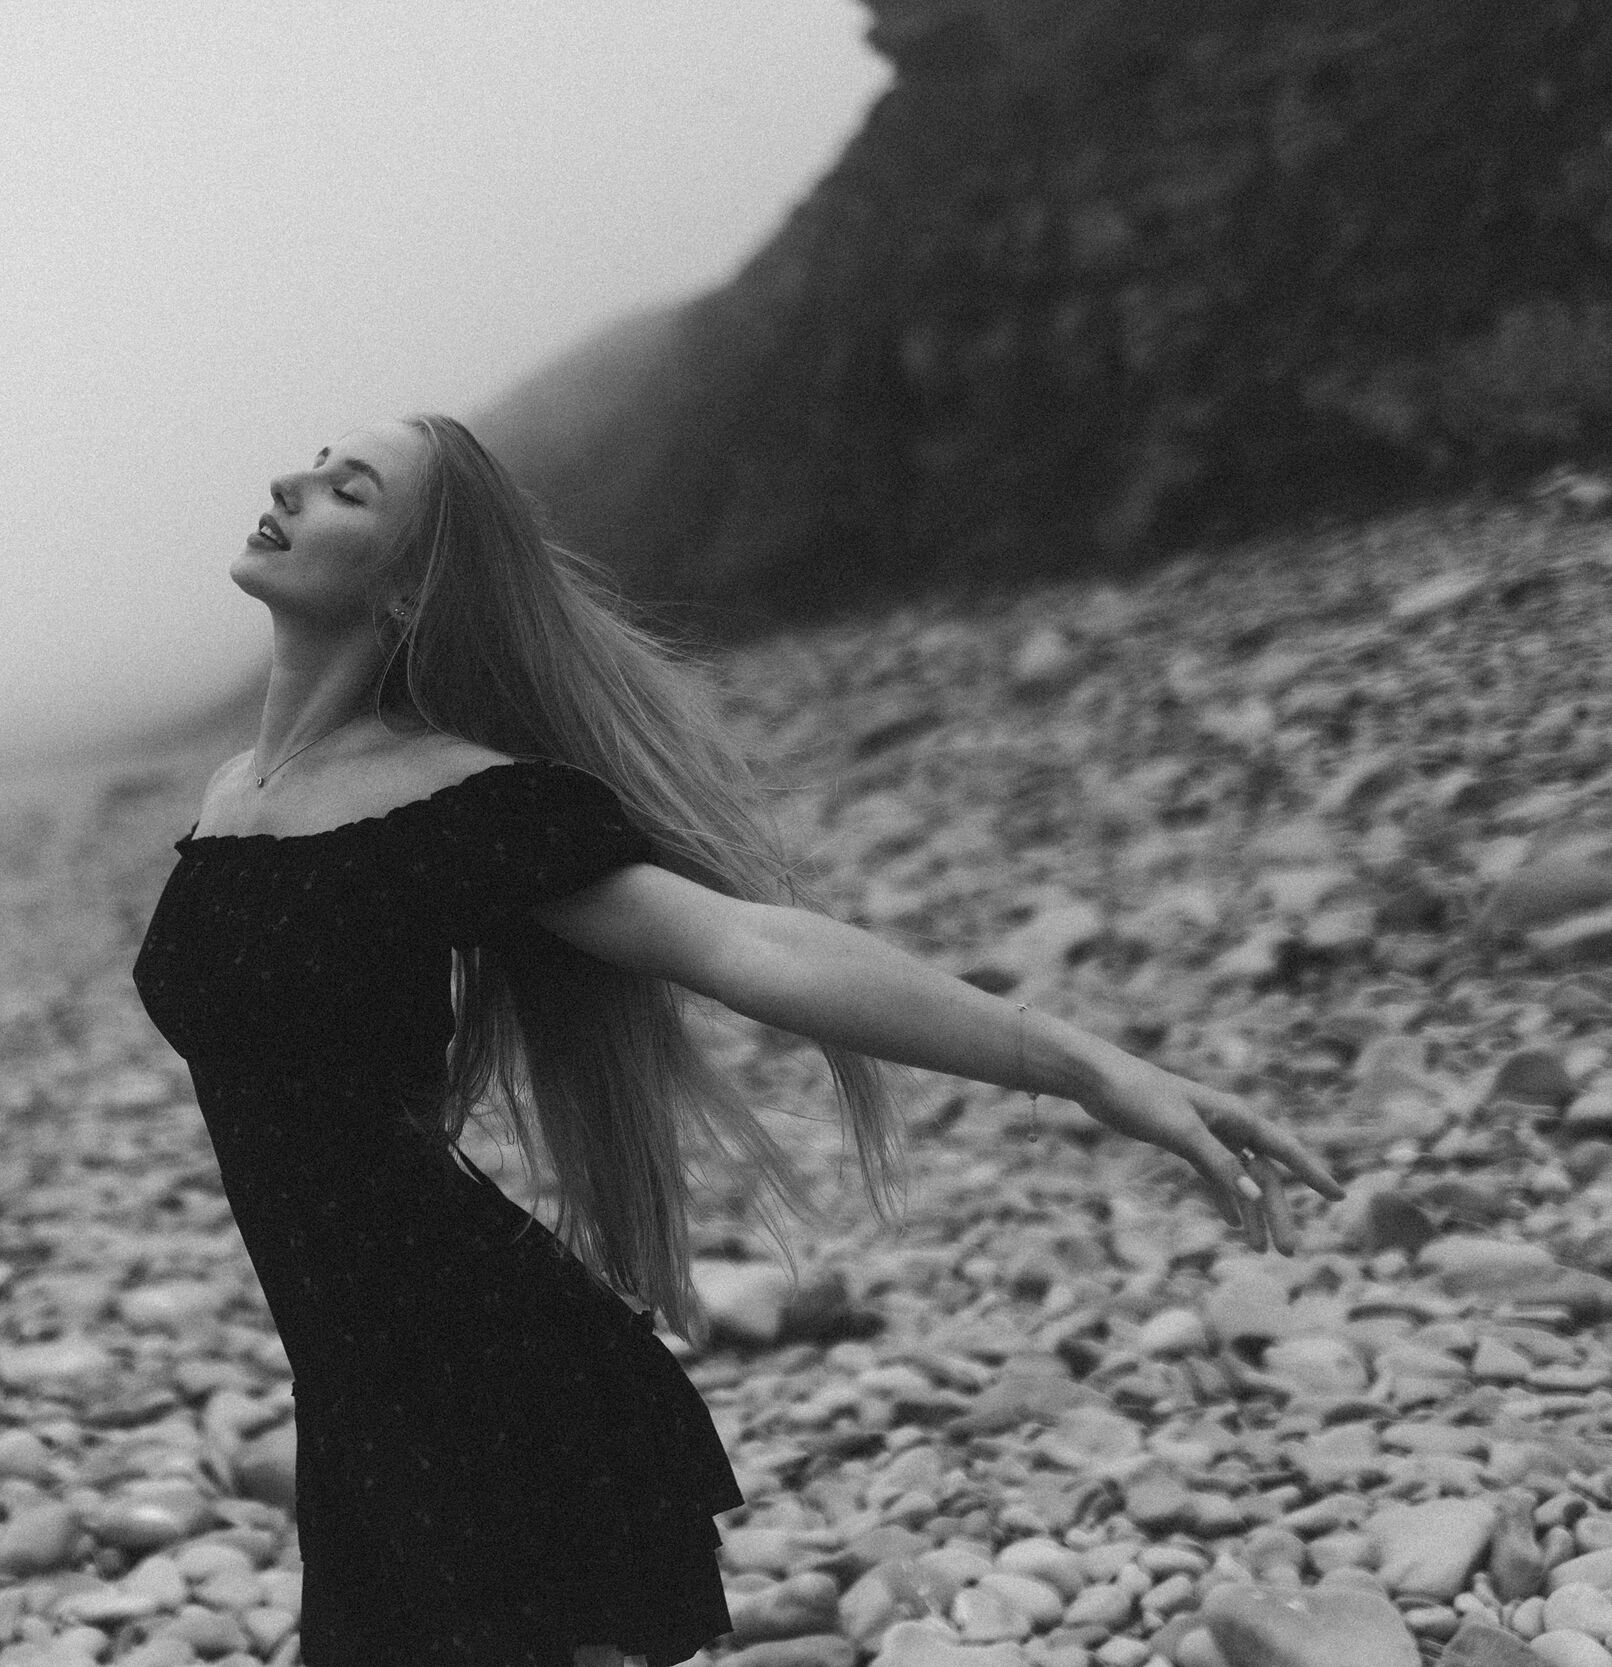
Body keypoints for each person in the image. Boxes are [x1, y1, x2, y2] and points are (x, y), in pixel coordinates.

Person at [128, 414, 1343, 1667]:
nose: (290, 482)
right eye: (314, 466)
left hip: (479, 1376)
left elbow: (755, 945)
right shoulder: (232, 794)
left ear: (408, 588)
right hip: (355, 1385)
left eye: (349, 490)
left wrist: (1090, 1067)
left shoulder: (455, 800)